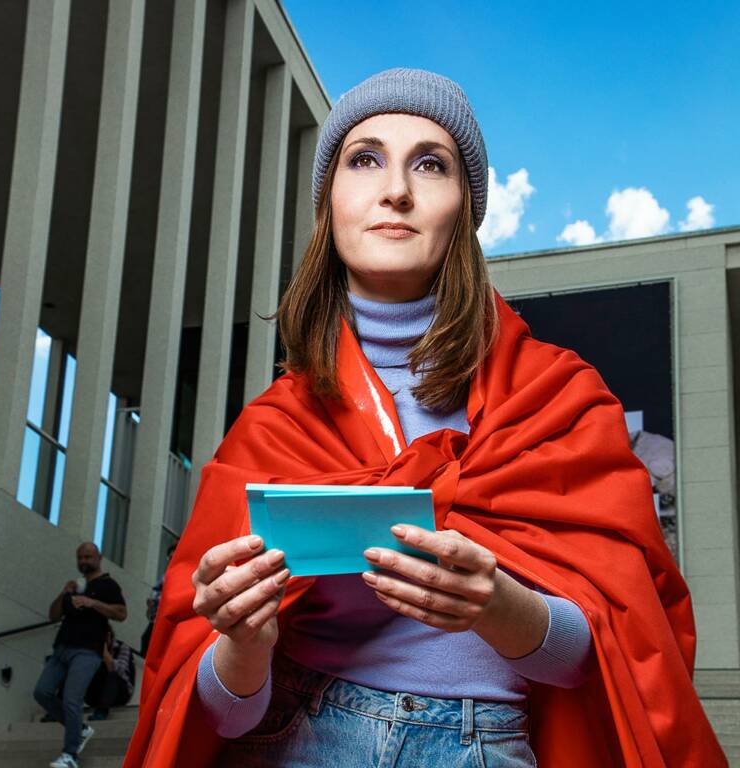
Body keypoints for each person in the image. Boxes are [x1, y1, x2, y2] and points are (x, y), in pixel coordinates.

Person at [124, 68, 725, 767]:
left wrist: (501, 605)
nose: (397, 190)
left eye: (431, 164)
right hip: (293, 738)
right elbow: (218, 717)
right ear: (329, 204)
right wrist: (244, 642)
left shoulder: (564, 397)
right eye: (365, 158)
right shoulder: (271, 427)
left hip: (486, 746)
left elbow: (623, 652)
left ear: (464, 210)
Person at [35, 542, 127, 768]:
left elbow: (121, 613)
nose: (84, 561)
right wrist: (64, 593)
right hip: (62, 647)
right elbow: (53, 615)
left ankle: (70, 755)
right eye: (80, 558)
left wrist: (93, 602)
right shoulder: (75, 585)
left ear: (99, 558)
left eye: (88, 557)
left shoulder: (108, 585)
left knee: (72, 699)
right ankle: (81, 729)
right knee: (42, 692)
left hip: (88, 651)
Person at [85, 629, 135, 720]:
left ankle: (102, 711)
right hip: (95, 695)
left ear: (108, 636)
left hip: (120, 693)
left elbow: (121, 672)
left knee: (113, 673)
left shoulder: (122, 647)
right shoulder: (90, 649)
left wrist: (105, 654)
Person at [140, 542, 177, 658]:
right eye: (169, 558)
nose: (171, 561)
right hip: (157, 620)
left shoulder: (182, 576)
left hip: (170, 623)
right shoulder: (165, 576)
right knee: (147, 641)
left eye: (173, 557)